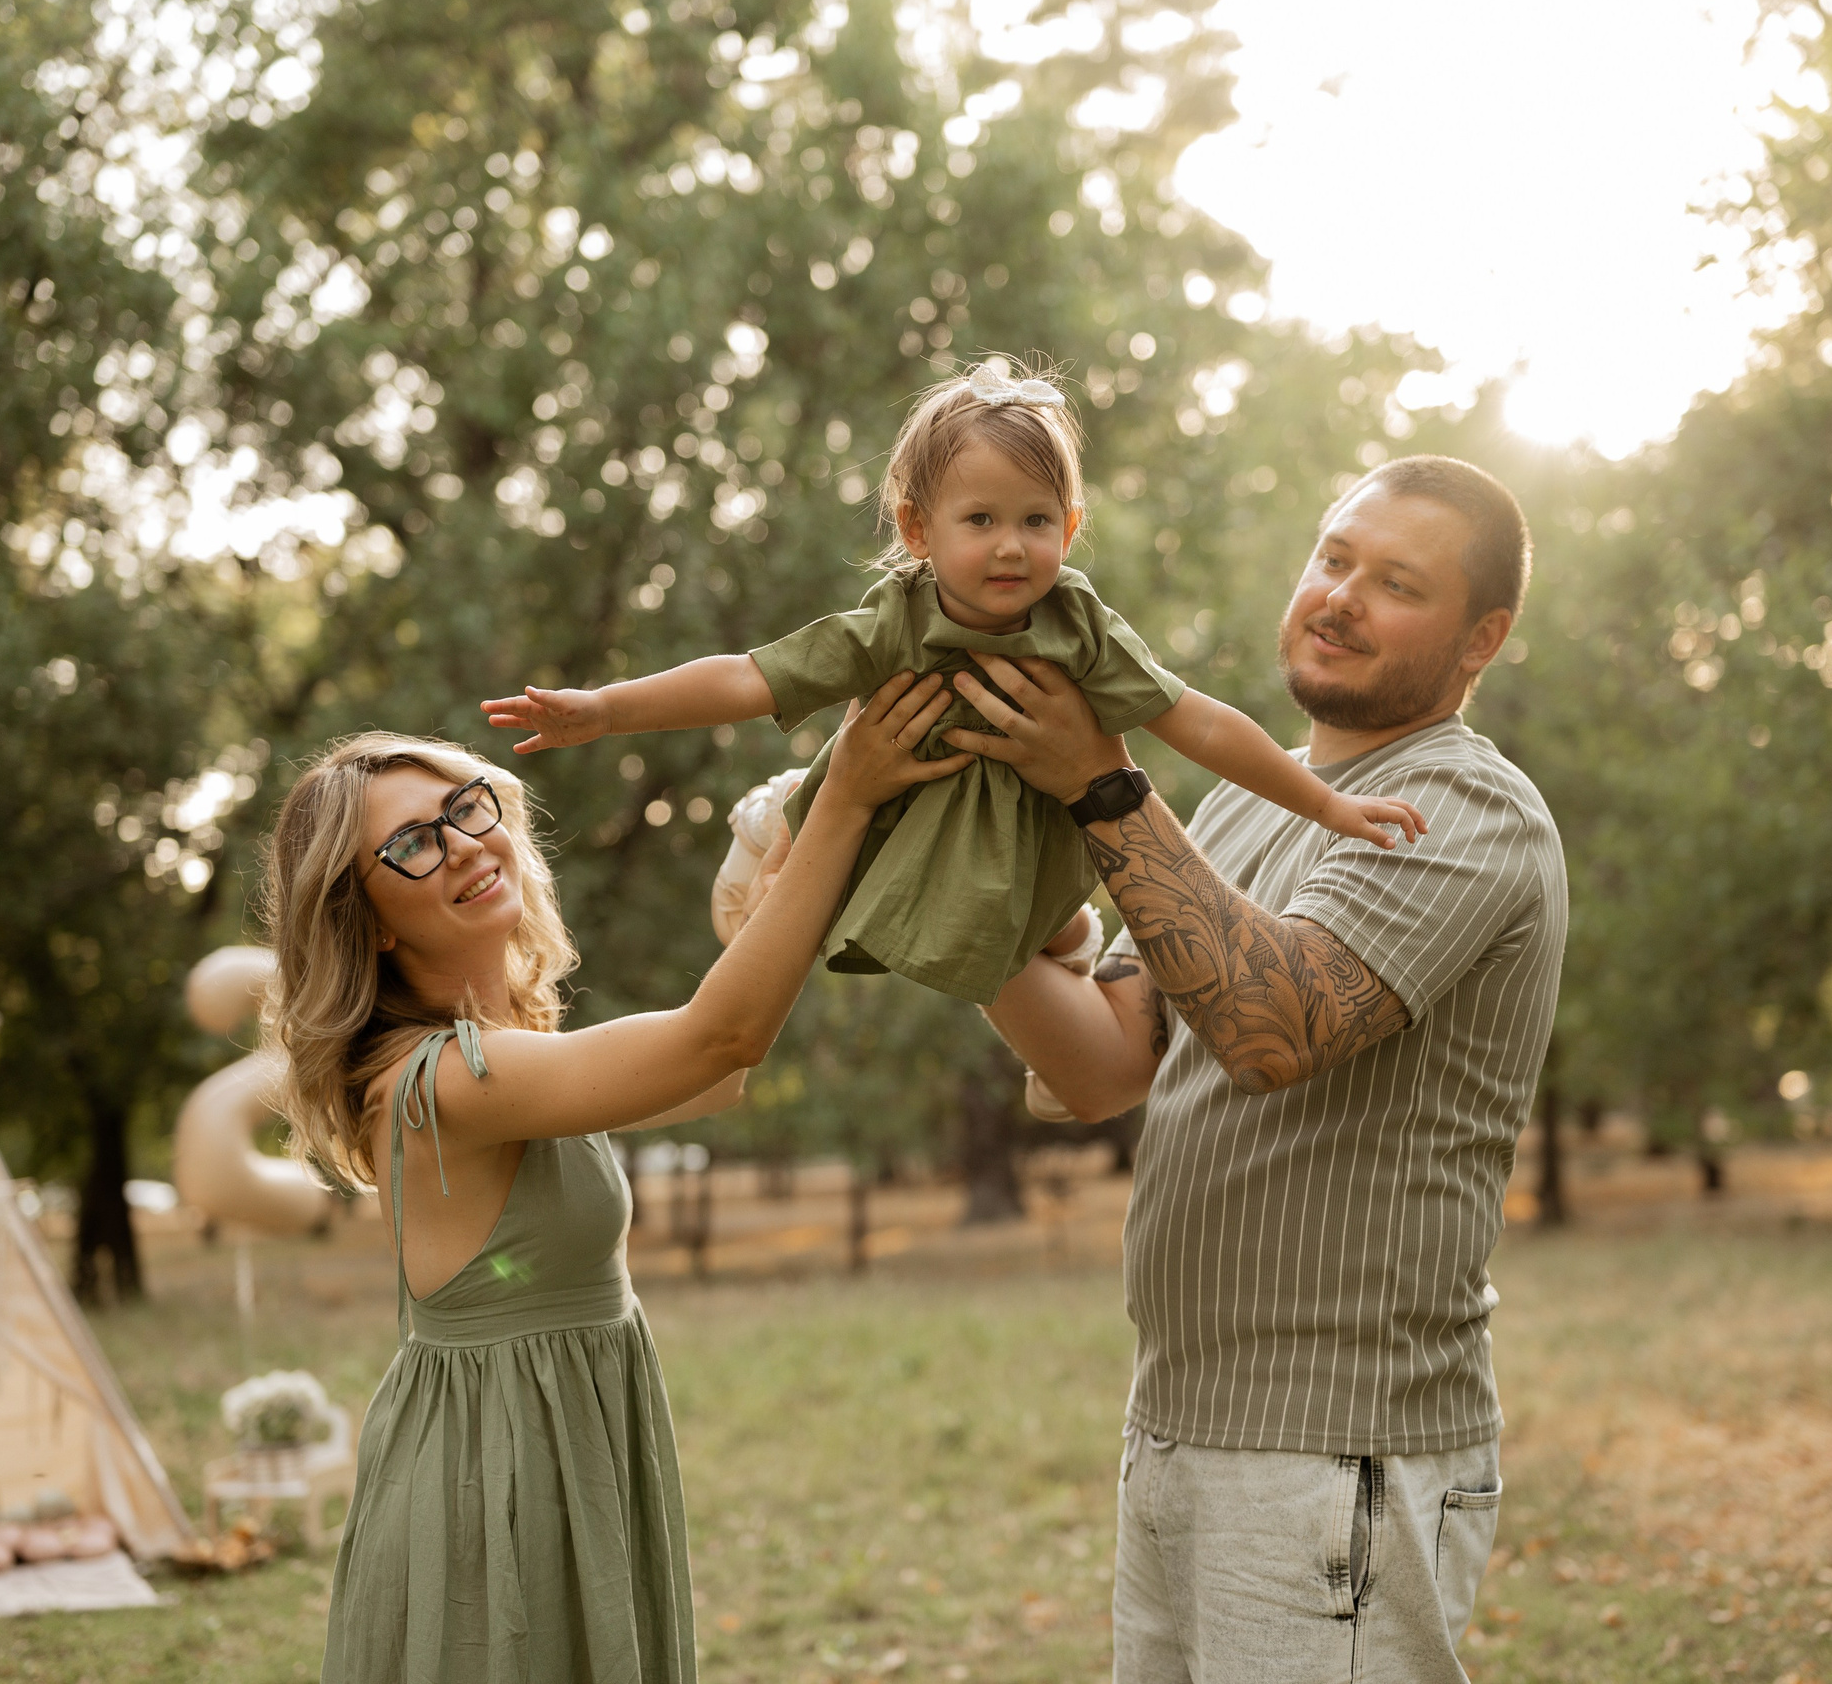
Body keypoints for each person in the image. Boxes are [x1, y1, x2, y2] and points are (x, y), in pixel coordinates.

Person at [950, 454, 1570, 1683]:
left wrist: (1097, 779)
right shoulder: (1233, 809)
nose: (1338, 596)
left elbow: (1268, 1025)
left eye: (1395, 582)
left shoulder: (1461, 804)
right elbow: (1102, 1063)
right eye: (1332, 557)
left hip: (1339, 1452)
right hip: (1177, 1428)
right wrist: (928, 897)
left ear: (1479, 637)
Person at [255, 681, 968, 1684]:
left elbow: (720, 1074)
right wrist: (842, 802)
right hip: (491, 1476)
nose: (461, 843)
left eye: (465, 808)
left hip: (562, 1448)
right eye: (412, 843)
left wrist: (767, 891)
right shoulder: (440, 1078)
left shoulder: (510, 1045)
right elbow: (716, 1036)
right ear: (363, 918)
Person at [479, 358, 1422, 1006]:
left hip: (1003, 834)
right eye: (980, 519)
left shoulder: (1076, 623)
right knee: (776, 926)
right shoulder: (896, 619)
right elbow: (745, 679)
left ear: (1071, 522)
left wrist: (1325, 805)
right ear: (920, 528)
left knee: (1051, 937)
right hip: (878, 813)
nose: (1012, 544)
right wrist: (605, 710)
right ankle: (769, 825)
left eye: (1037, 519)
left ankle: (1065, 988)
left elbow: (1196, 721)